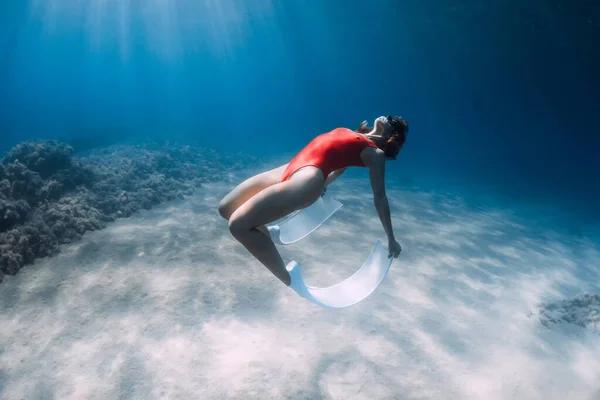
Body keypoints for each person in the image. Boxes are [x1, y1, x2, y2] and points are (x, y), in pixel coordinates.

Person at [218, 115, 408, 286]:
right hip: (291, 168)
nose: (386, 116)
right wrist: (326, 183)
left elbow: (380, 198)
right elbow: (338, 167)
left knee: (238, 225)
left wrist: (391, 239)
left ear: (393, 136)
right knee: (226, 208)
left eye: (391, 121)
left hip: (307, 179)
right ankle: (267, 236)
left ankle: (289, 279)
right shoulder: (353, 133)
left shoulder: (376, 154)